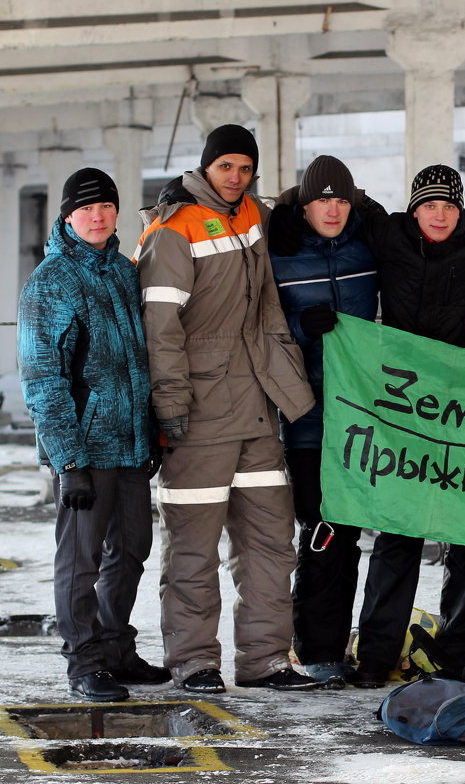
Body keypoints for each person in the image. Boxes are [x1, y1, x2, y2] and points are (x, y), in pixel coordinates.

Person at [133, 124, 320, 694]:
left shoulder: (252, 216)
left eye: (245, 169)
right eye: (225, 168)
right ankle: (193, 660)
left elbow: (311, 211)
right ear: (206, 168)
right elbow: (159, 327)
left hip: (258, 409)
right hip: (199, 415)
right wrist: (169, 405)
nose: (236, 178)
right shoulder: (173, 228)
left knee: (269, 542)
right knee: (192, 545)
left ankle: (266, 661)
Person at [347, 164, 465, 687]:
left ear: (461, 209)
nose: (438, 215)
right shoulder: (387, 232)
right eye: (428, 205)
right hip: (404, 413)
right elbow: (320, 201)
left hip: (464, 412)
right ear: (413, 208)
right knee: (398, 534)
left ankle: (455, 653)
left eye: (448, 206)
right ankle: (375, 656)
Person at [17, 167, 168, 702]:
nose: (98, 216)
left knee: (131, 550)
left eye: (106, 206)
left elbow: (138, 361)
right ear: (67, 217)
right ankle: (84, 663)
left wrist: (150, 433)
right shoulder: (52, 281)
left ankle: (115, 650)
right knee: (80, 560)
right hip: (84, 447)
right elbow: (42, 377)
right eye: (86, 209)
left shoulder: (126, 272)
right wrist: (67, 460)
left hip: (128, 443)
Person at [266, 155, 380, 689]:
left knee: (351, 531)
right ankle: (314, 648)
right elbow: (259, 323)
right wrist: (299, 324)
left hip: (364, 417)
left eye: (341, 199)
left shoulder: (368, 244)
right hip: (309, 417)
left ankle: (341, 645)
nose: (332, 209)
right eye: (322, 200)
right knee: (321, 530)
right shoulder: (281, 255)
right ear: (305, 204)